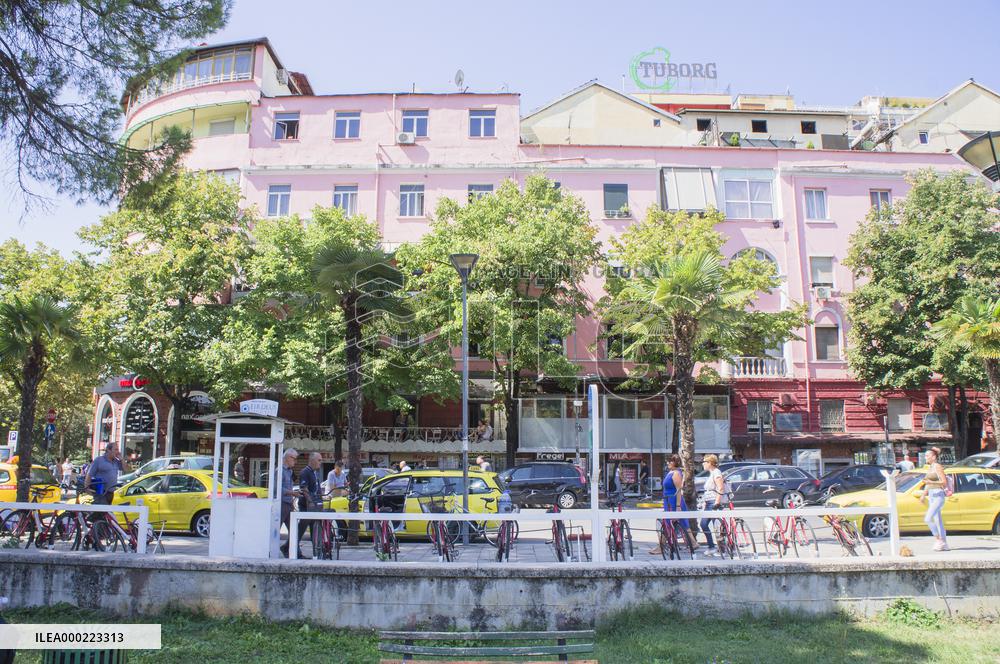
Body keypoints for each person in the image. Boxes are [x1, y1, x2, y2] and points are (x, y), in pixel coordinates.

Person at [650, 455, 696, 555]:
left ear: (675, 462)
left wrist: (678, 506)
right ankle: (693, 543)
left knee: (668, 523)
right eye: (668, 461)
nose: (668, 463)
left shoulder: (676, 473)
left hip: (674, 501)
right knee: (681, 523)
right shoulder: (671, 472)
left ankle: (661, 547)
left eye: (670, 461)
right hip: (669, 500)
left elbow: (679, 490)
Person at [920, 446, 949, 551]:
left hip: (938, 494)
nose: (925, 457)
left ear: (933, 457)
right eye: (925, 455)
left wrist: (931, 482)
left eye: (927, 455)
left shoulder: (937, 466)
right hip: (932, 495)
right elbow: (928, 483)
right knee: (937, 520)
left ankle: (938, 539)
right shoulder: (930, 467)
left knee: (928, 518)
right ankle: (944, 544)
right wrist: (923, 495)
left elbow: (944, 482)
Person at [699, 454, 727, 555]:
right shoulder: (712, 473)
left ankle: (722, 549)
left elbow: (721, 488)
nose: (703, 464)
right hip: (708, 502)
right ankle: (712, 547)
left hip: (713, 502)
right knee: (704, 524)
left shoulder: (716, 472)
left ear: (710, 463)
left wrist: (717, 502)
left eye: (704, 462)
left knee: (717, 526)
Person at [297, 452, 323, 558]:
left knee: (315, 529)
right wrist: (310, 501)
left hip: (315, 505)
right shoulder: (305, 472)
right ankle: (289, 546)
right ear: (312, 460)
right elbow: (304, 488)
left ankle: (317, 553)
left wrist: (320, 499)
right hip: (306, 506)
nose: (320, 462)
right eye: (319, 460)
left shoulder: (314, 473)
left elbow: (316, 488)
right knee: (301, 529)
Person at [278, 448, 301, 557]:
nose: (296, 462)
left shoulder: (290, 471)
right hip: (281, 504)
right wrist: (291, 493)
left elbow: (289, 486)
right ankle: (268, 551)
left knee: (294, 530)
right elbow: (277, 488)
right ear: (287, 458)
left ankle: (294, 552)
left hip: (288, 504)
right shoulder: (279, 471)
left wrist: (293, 496)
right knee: (275, 529)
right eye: (294, 459)